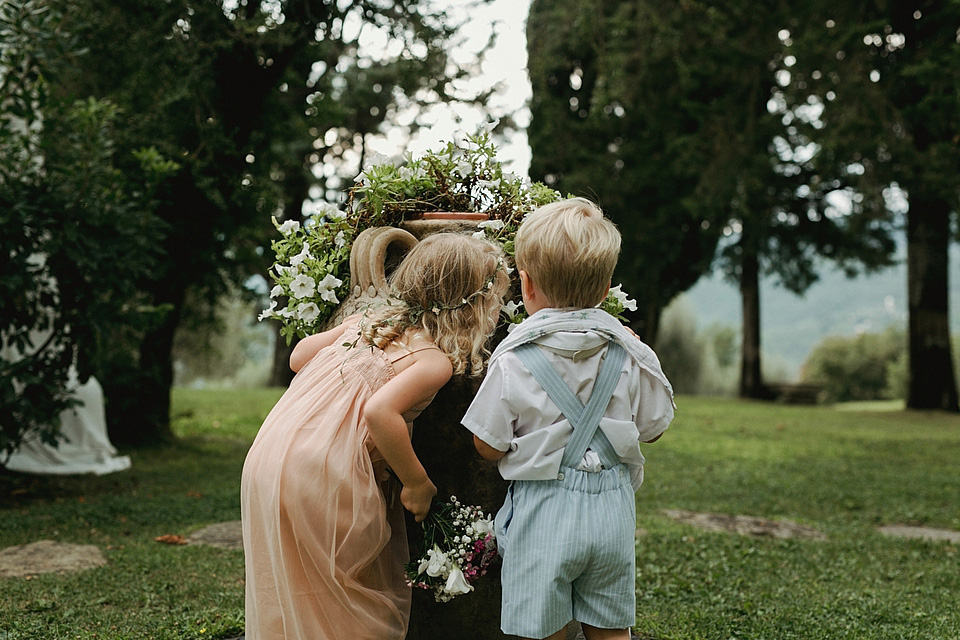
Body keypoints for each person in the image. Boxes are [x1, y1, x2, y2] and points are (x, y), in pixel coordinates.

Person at [241, 232, 509, 640]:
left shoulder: (364, 324)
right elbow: (379, 412)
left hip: (270, 455)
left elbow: (298, 358)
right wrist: (417, 483)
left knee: (301, 582)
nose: (499, 311)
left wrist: (344, 337)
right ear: (471, 305)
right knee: (352, 597)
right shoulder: (431, 360)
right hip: (323, 473)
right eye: (495, 302)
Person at [461, 198, 676, 640]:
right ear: (605, 289)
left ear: (527, 284)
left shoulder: (514, 360)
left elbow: (487, 444)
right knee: (612, 629)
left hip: (544, 510)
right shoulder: (629, 350)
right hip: (613, 510)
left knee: (544, 631)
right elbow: (654, 427)